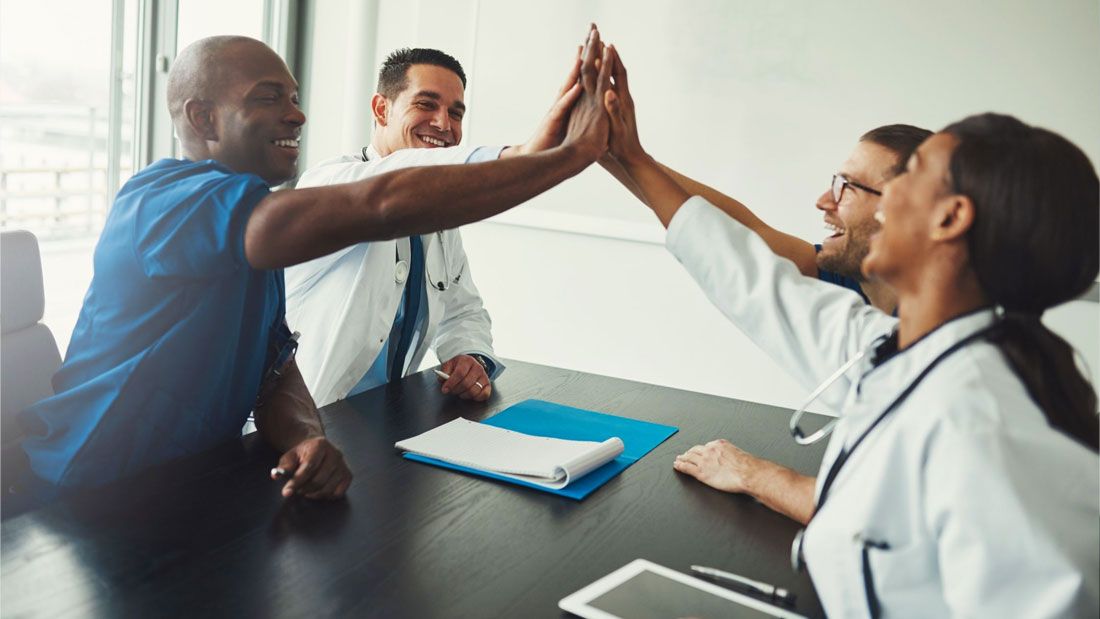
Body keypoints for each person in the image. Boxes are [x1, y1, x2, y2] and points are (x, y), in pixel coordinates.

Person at [601, 46, 1099, 616]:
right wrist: (627, 157)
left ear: (950, 218)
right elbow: (752, 277)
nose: (858, 208)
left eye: (908, 179)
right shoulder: (894, 351)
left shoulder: (985, 421)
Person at [15, 29, 613, 502]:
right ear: (202, 120)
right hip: (86, 491)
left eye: (295, 99)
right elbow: (379, 201)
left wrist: (306, 438)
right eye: (269, 99)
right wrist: (553, 157)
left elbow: (273, 371)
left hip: (191, 487)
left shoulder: (255, 230)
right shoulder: (164, 199)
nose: (297, 116)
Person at [287, 47, 582, 406]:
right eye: (426, 105)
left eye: (455, 113)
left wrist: (470, 357)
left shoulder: (438, 216)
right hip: (310, 420)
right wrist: (522, 156)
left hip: (385, 414)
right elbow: (391, 185)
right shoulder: (331, 183)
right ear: (382, 109)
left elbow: (462, 308)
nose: (444, 124)